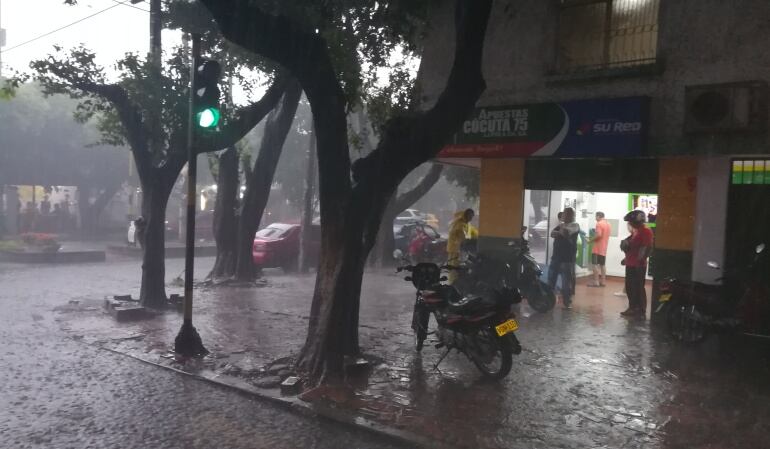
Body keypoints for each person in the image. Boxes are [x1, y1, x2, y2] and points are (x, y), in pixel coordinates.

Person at [621, 210, 654, 317]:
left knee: (637, 287)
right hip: (631, 264)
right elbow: (633, 248)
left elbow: (647, 247)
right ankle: (633, 307)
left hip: (638, 265)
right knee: (630, 287)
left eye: (631, 221)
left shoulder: (646, 231)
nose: (630, 223)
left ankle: (638, 309)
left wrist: (641, 260)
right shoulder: (637, 231)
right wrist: (626, 258)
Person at [548, 207, 580, 309]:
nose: (563, 216)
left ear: (571, 216)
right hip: (556, 258)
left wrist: (561, 231)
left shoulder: (575, 225)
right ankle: (549, 300)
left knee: (566, 283)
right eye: (563, 214)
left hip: (567, 260)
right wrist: (560, 231)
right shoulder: (561, 225)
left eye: (566, 214)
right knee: (551, 280)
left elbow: (566, 233)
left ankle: (567, 303)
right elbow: (552, 234)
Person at [446, 208, 474, 284]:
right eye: (470, 216)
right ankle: (453, 283)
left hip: (456, 249)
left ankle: (453, 282)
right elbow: (463, 237)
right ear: (466, 215)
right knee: (454, 268)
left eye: (472, 216)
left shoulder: (464, 223)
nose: (471, 218)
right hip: (456, 250)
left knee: (454, 267)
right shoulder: (460, 225)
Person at [589, 212, 611, 287]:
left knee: (595, 265)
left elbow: (598, 235)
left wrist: (590, 240)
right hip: (604, 248)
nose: (595, 218)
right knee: (602, 265)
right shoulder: (608, 224)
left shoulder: (599, 224)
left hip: (597, 248)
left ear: (598, 216)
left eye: (596, 217)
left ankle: (596, 282)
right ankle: (603, 282)